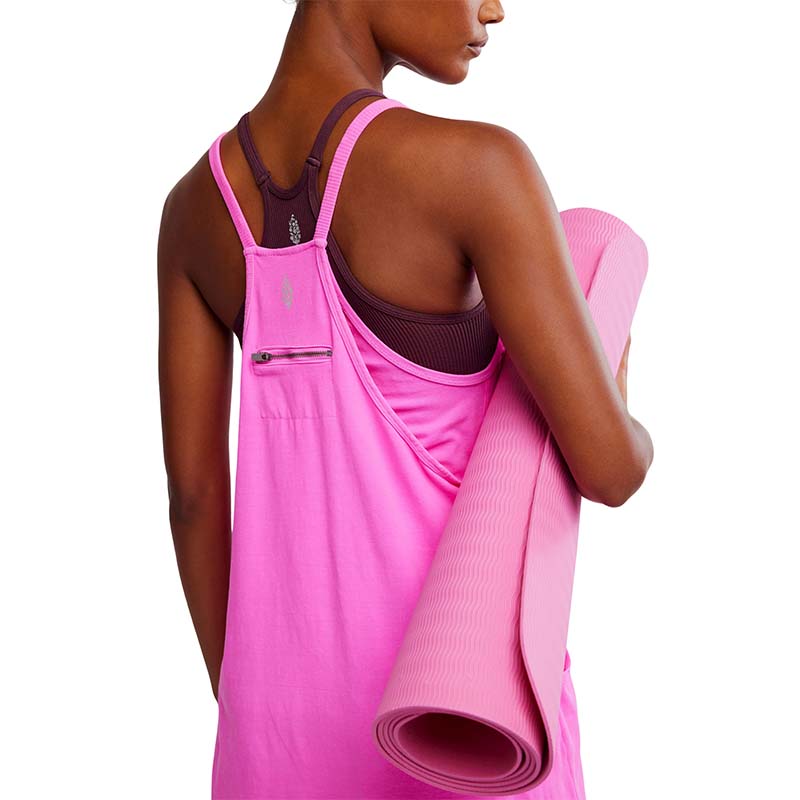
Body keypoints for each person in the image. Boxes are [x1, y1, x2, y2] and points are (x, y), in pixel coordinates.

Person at [157, 1, 654, 797]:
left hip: (275, 752)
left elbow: (194, 500)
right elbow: (611, 469)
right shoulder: (478, 170)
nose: (494, 9)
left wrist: (263, 712)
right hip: (468, 737)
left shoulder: (193, 211)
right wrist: (618, 380)